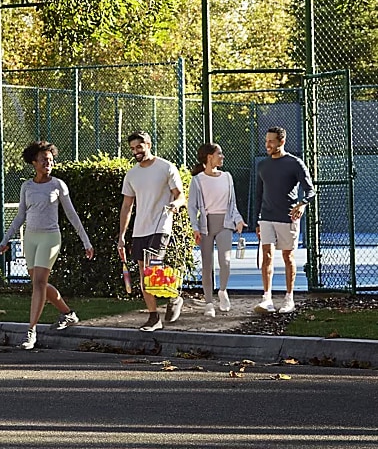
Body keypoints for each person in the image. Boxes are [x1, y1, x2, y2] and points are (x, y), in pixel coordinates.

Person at [0, 141, 94, 350]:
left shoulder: (58, 185)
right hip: (30, 238)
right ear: (34, 162)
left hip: (50, 238)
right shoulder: (27, 186)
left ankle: (31, 331)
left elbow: (72, 215)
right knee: (38, 283)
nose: (48, 163)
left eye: (50, 160)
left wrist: (86, 241)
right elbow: (20, 216)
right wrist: (5, 240)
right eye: (43, 160)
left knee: (40, 282)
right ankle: (68, 314)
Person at [117, 131, 185, 332]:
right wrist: (122, 236)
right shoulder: (132, 174)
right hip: (140, 230)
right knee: (144, 273)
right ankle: (155, 316)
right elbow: (127, 206)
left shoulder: (166, 167)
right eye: (132, 149)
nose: (135, 151)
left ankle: (173, 297)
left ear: (148, 144)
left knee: (152, 268)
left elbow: (180, 195)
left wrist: (175, 205)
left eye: (139, 147)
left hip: (161, 226)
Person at [253, 126, 315, 314]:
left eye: (271, 141)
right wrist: (257, 221)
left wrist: (302, 204)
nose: (267, 144)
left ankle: (289, 299)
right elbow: (258, 195)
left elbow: (310, 191)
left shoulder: (295, 163)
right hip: (266, 218)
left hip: (288, 218)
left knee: (288, 257)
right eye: (266, 141)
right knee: (266, 255)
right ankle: (267, 299)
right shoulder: (262, 165)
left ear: (282, 141)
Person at [187, 143, 246, 318]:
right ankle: (208, 303)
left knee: (225, 261)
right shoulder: (197, 180)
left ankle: (222, 291)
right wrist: (195, 228)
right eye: (219, 153)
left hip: (225, 224)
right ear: (209, 157)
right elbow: (192, 207)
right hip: (205, 227)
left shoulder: (227, 177)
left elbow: (232, 204)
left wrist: (238, 220)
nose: (222, 156)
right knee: (207, 265)